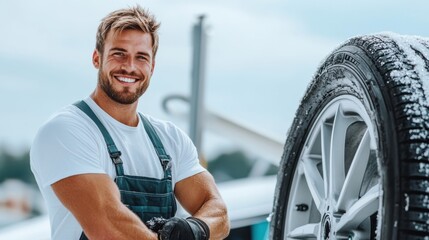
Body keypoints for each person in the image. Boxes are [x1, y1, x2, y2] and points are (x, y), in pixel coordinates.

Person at [30, 5, 229, 240]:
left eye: (141, 57)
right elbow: (107, 227)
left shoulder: (171, 139)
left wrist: (194, 229)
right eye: (118, 53)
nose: (130, 66)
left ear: (152, 67)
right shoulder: (66, 131)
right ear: (97, 58)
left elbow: (218, 212)